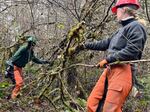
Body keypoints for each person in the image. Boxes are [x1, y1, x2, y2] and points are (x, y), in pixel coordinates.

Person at [76, 0, 147, 111]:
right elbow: (105, 43)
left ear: (124, 9)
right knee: (92, 104)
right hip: (111, 69)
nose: (115, 13)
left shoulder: (136, 26)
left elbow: (132, 51)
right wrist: (84, 45)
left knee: (110, 109)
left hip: (124, 70)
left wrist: (108, 59)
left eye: (117, 10)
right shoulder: (120, 30)